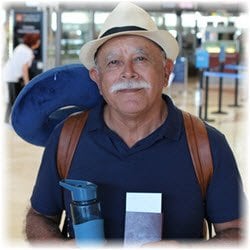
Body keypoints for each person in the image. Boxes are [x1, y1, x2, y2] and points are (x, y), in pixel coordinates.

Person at [25, 2, 245, 246]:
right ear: (97, 78)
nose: (128, 73)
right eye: (113, 62)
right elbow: (39, 217)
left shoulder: (206, 145)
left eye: (140, 58)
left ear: (166, 71)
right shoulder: (67, 137)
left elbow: (238, 233)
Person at [3, 33, 40, 123]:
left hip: (8, 75)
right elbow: (24, 69)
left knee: (12, 99)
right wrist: (27, 83)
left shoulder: (20, 47)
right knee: (16, 101)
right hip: (13, 77)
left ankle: (7, 120)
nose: (39, 42)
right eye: (38, 40)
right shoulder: (28, 52)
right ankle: (16, 122)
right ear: (33, 41)